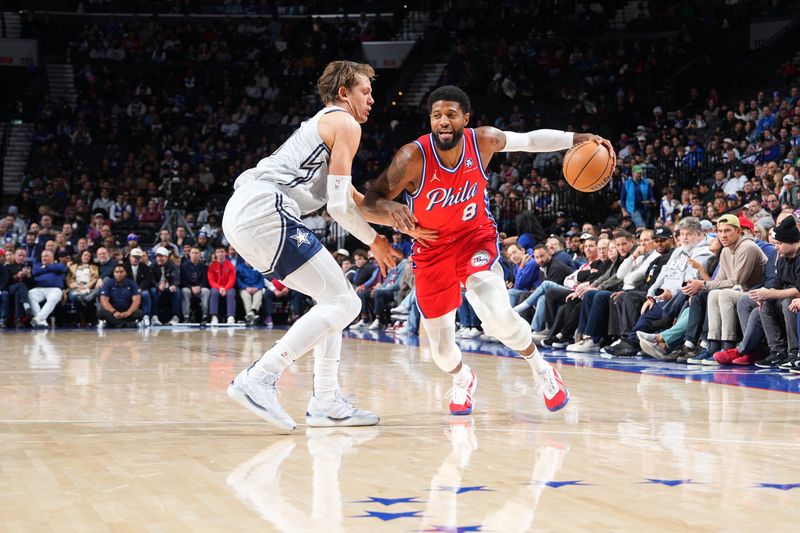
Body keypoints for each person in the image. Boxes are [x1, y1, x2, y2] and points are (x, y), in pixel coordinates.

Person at [363, 85, 615, 414]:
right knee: (441, 349)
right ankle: (463, 378)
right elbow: (370, 202)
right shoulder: (412, 157)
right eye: (436, 115)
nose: (443, 121)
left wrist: (578, 138)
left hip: (474, 239)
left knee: (497, 315)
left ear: (465, 119)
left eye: (451, 115)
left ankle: (542, 368)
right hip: (432, 251)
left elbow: (530, 141)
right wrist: (391, 214)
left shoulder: (482, 140)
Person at [222, 60, 407, 431]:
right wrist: (374, 243)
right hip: (265, 207)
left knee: (334, 301)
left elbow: (356, 201)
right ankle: (261, 376)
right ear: (344, 93)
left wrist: (410, 227)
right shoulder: (344, 122)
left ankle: (326, 402)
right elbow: (338, 208)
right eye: (365, 91)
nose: (371, 99)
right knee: (346, 301)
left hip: (247, 215)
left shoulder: (326, 132)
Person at [98, 263, 144, 328]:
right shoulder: (108, 283)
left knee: (140, 313)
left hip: (128, 311)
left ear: (125, 273)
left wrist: (128, 312)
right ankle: (125, 324)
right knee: (101, 313)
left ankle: (115, 324)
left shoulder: (132, 283)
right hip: (113, 312)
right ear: (113, 273)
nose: (119, 274)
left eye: (121, 272)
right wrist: (114, 312)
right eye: (116, 272)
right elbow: (104, 301)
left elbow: (136, 300)